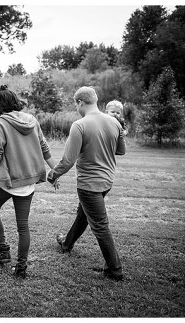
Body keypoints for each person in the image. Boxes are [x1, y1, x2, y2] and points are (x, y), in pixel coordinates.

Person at [47, 86, 126, 281]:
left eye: (76, 105)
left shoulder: (79, 125)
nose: (77, 108)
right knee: (83, 213)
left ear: (80, 102)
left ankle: (114, 270)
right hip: (107, 181)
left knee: (99, 225)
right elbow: (121, 151)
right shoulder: (115, 123)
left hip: (89, 184)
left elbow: (68, 160)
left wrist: (53, 174)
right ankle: (66, 243)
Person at [0, 85, 57, 278]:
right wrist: (54, 170)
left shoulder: (1, 123)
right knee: (23, 226)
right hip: (28, 182)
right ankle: (21, 267)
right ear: (15, 102)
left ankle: (4, 251)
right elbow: (43, 146)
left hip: (7, 181)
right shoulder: (32, 120)